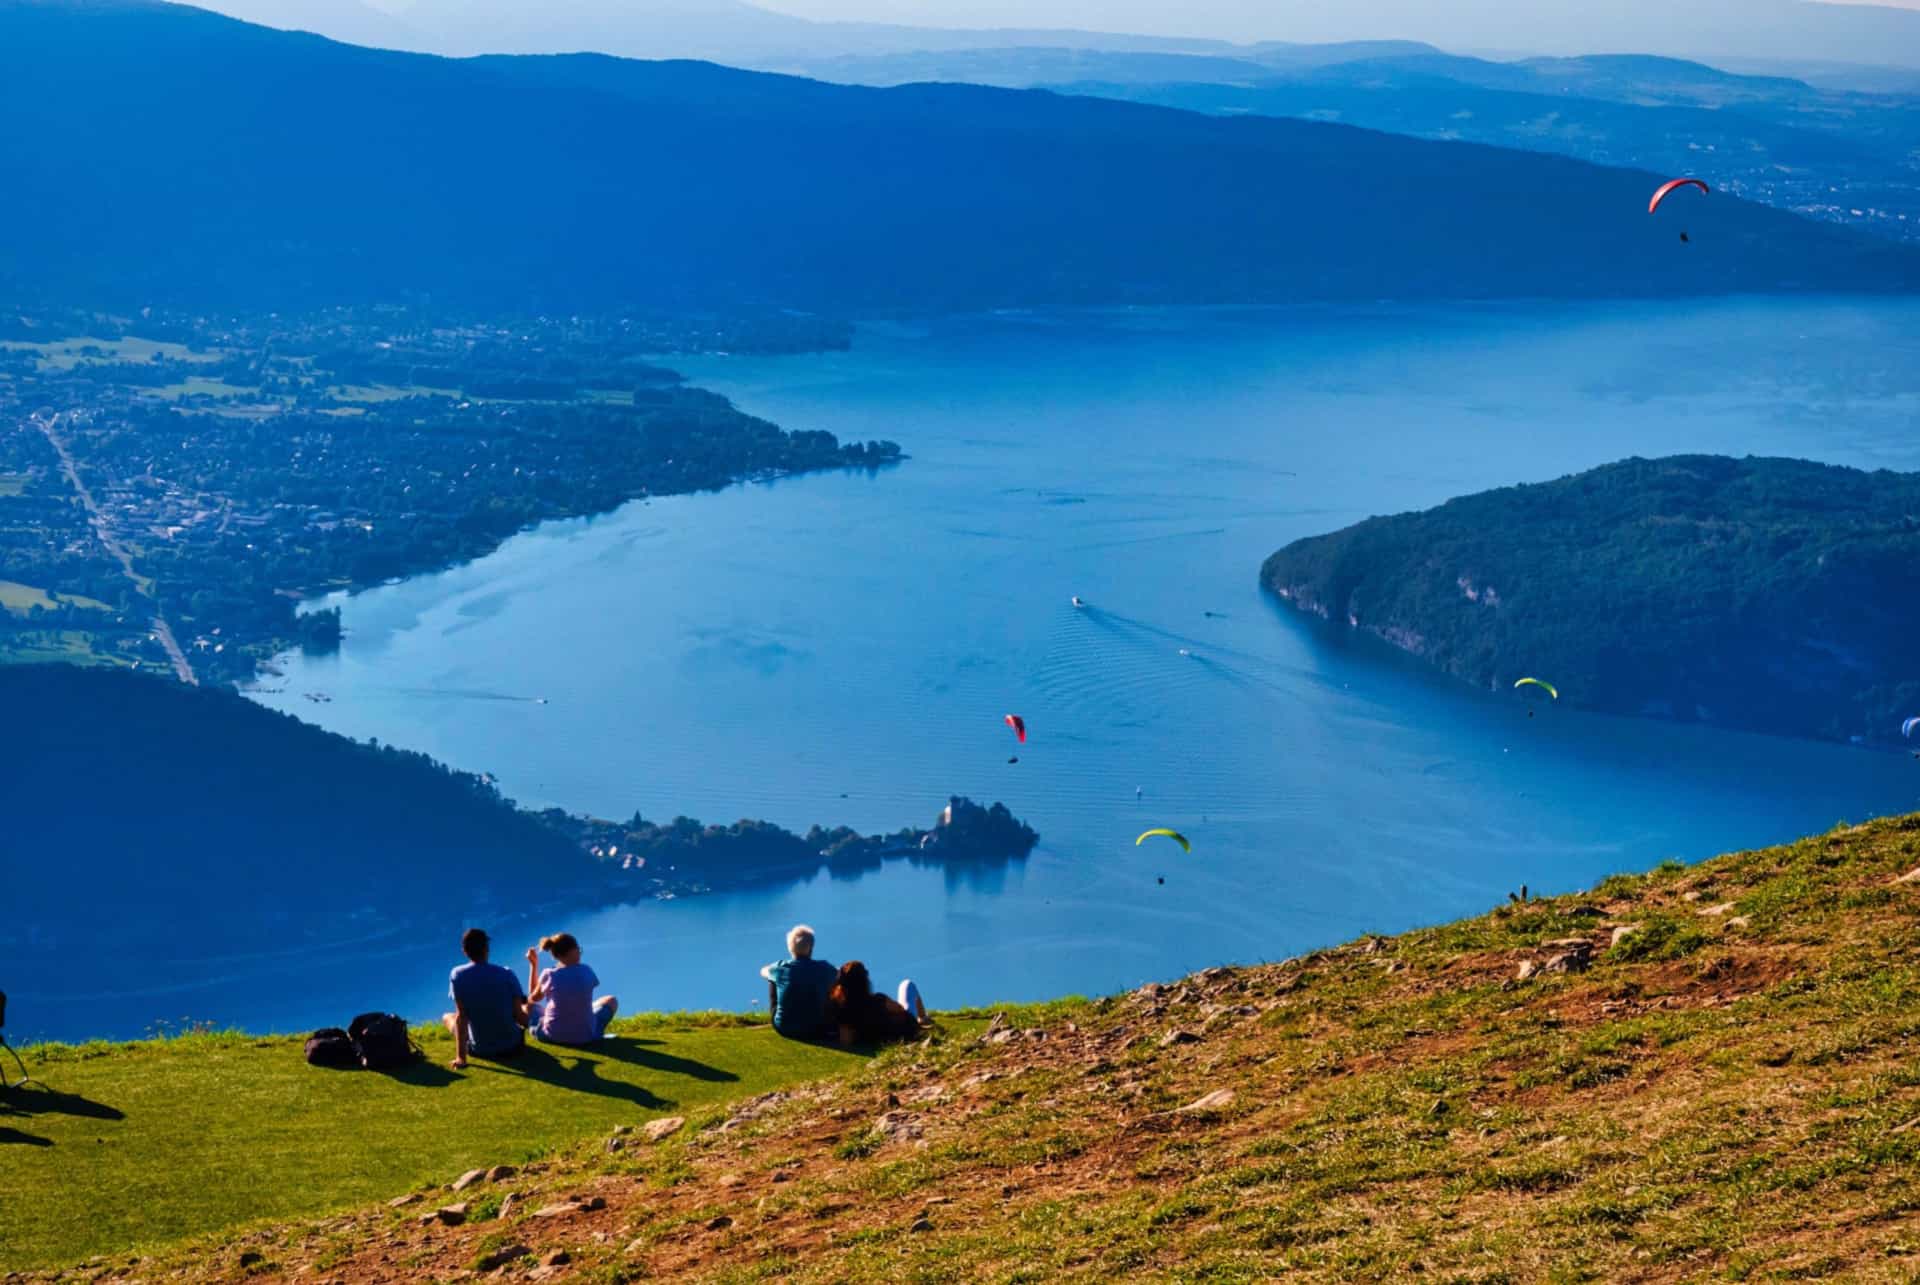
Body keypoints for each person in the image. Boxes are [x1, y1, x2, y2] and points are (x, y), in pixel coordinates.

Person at [442, 927, 528, 1070]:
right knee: (526, 1007)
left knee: (447, 1017)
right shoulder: (507, 974)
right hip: (513, 1046)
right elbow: (520, 1017)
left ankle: (466, 1049)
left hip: (481, 1050)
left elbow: (462, 1017)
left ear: (465, 952)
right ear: (487, 948)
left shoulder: (457, 974)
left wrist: (461, 1058)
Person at [525, 932, 618, 1046]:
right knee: (611, 1000)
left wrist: (533, 965)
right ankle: (593, 1032)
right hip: (586, 1036)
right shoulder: (586, 970)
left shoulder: (549, 974)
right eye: (578, 949)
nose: (580, 952)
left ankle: (535, 1028)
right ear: (573, 951)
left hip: (552, 1036)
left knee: (528, 1005)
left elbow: (533, 998)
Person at [825, 960, 929, 1047]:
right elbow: (900, 1008)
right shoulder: (879, 1000)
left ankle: (923, 1019)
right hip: (906, 1032)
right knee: (907, 984)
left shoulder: (844, 1011)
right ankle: (923, 1018)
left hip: (887, 1038)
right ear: (865, 980)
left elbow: (845, 1042)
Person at [759, 923, 836, 1040]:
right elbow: (840, 973)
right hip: (818, 1029)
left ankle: (781, 1014)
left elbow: (763, 971)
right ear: (811, 947)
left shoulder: (780, 968)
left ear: (790, 947)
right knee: (830, 983)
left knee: (773, 980)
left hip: (785, 1028)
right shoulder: (824, 968)